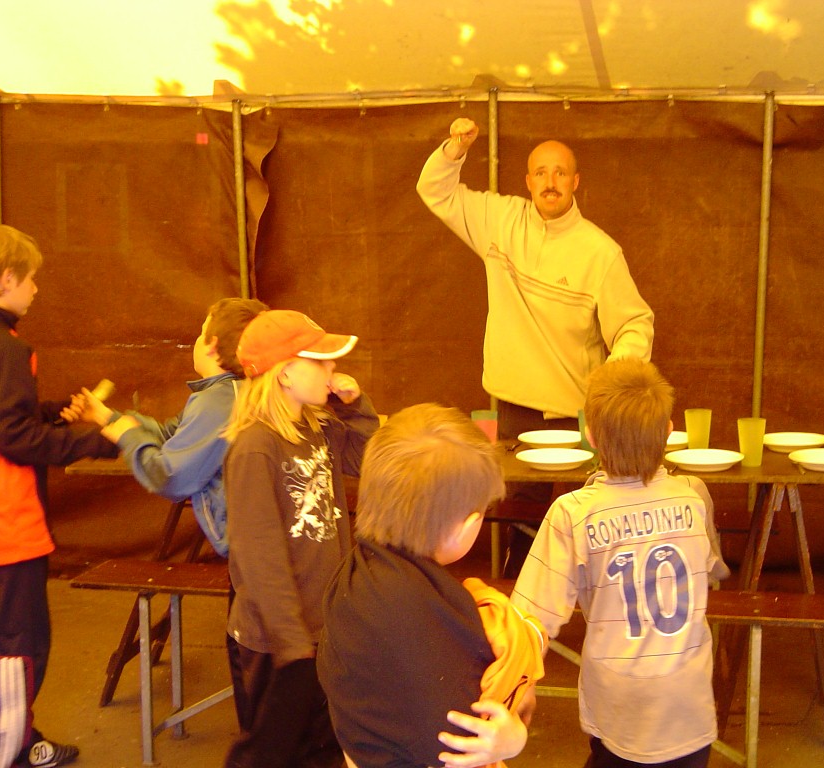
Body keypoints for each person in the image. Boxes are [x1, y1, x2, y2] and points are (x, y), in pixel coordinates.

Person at [417, 117, 655, 573]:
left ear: (575, 182)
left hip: (578, 417)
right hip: (514, 412)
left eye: (560, 172)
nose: (550, 182)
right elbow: (435, 191)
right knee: (522, 524)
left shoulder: (601, 252)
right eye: (541, 172)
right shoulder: (498, 220)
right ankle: (520, 605)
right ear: (527, 182)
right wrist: (454, 149)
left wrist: (614, 378)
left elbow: (635, 323)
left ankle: (583, 609)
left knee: (583, 525)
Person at [510, 359, 730, 768]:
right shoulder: (694, 496)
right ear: (668, 432)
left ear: (591, 436)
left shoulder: (572, 512)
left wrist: (520, 684)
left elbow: (530, 618)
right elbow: (714, 568)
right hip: (688, 701)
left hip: (618, 703)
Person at [316, 403, 546, 768]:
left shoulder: (357, 571)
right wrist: (514, 738)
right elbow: (463, 743)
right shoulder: (429, 623)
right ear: (466, 527)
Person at [0, 223, 119, 768]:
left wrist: (53, 412)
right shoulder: (6, 349)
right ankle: (7, 755)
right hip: (5, 525)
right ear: (6, 278)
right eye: (31, 278)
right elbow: (12, 438)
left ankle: (20, 738)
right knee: (16, 648)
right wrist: (101, 440)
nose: (36, 289)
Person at [221, 309, 379, 768]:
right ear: (285, 373)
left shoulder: (319, 427)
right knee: (269, 754)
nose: (333, 369)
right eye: (321, 361)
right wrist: (290, 639)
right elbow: (258, 555)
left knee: (322, 748)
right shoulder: (255, 447)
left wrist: (354, 405)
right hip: (279, 641)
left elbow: (367, 459)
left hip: (321, 628)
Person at [64, 297, 267, 556]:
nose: (196, 340)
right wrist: (107, 417)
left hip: (253, 546)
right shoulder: (238, 392)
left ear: (212, 346)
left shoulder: (218, 402)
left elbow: (171, 478)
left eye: (201, 332)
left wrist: (129, 437)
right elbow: (171, 435)